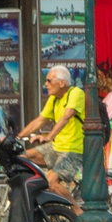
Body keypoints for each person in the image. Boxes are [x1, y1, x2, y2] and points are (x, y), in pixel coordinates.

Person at [15, 65, 87, 198]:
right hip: (56, 147)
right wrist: (17, 137)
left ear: (62, 83)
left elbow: (67, 116)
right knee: (21, 158)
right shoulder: (54, 99)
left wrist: (49, 136)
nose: (46, 84)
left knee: (51, 182)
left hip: (73, 150)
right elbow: (40, 121)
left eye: (49, 81)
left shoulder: (76, 93)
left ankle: (77, 213)